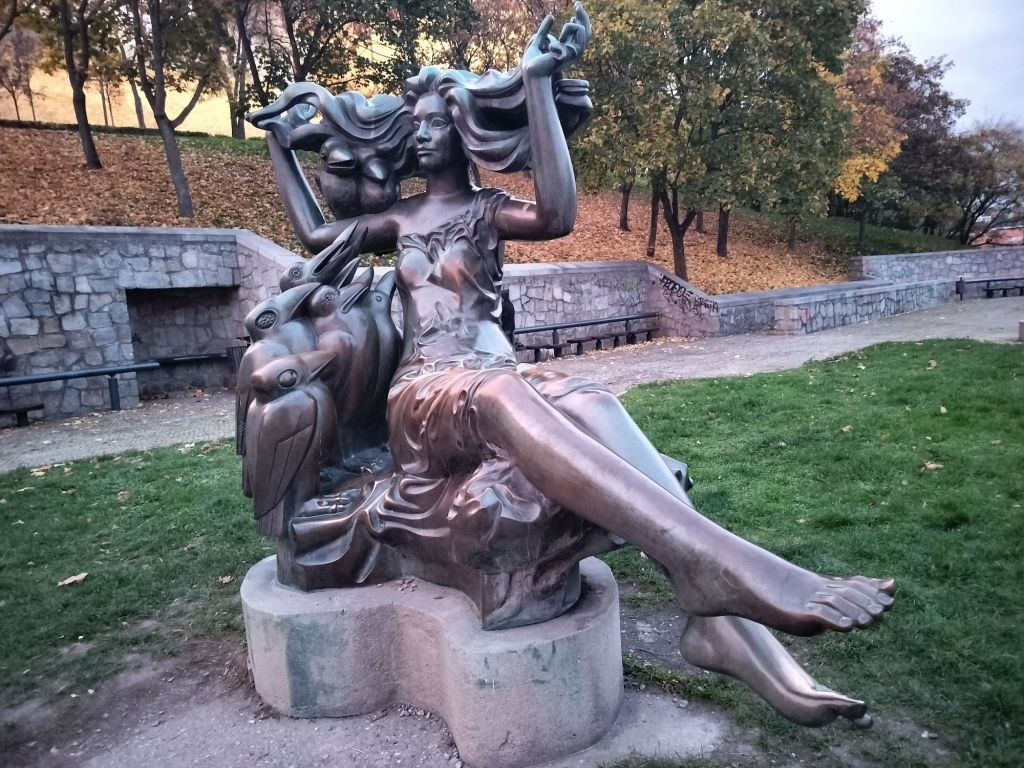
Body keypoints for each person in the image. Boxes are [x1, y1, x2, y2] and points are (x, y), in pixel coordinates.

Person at [248, 4, 894, 728]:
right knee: (502, 393)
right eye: (416, 125)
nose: (421, 135)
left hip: (497, 377)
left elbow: (558, 213)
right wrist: (278, 144)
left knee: (595, 403)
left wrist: (536, 88)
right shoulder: (400, 219)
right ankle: (726, 569)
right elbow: (316, 232)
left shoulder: (488, 210)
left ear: (464, 130)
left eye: (434, 123)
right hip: (427, 394)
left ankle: (720, 624)